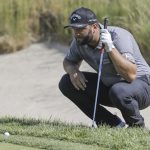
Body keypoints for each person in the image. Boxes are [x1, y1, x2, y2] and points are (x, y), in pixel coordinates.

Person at [58, 7, 150, 128]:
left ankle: (137, 128)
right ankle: (113, 125)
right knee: (66, 83)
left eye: (81, 28)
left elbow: (131, 75)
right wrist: (73, 70)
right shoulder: (79, 41)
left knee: (119, 90)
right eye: (74, 29)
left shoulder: (118, 36)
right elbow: (69, 61)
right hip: (112, 87)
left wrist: (110, 47)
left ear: (94, 27)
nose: (76, 33)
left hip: (142, 86)